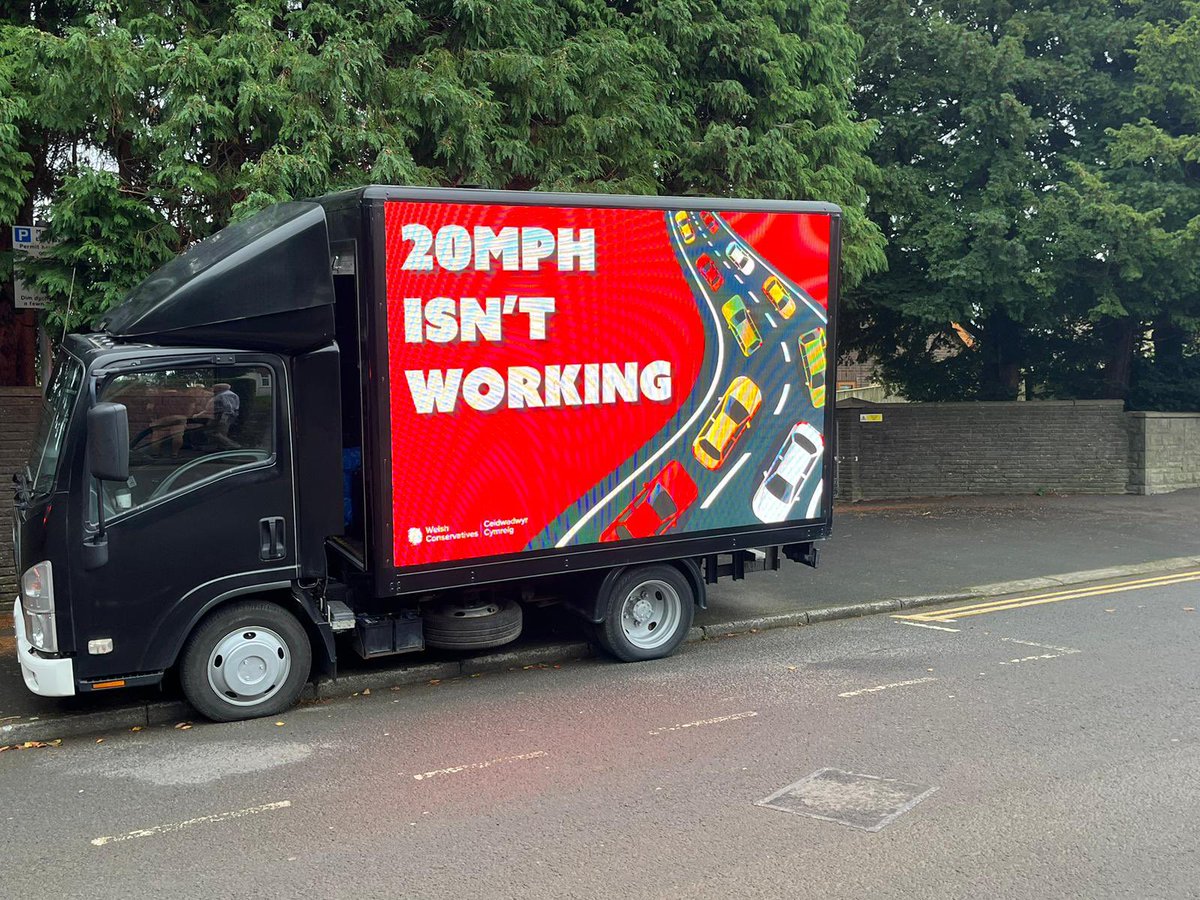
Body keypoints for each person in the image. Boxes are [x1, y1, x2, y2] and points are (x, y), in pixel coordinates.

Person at [206, 382, 241, 449]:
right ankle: (218, 447)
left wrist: (224, 419)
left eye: (214, 388)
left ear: (220, 388)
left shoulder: (226, 395)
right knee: (212, 431)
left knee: (218, 432)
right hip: (218, 415)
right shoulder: (221, 394)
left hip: (223, 416)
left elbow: (228, 408)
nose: (213, 389)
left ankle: (232, 445)